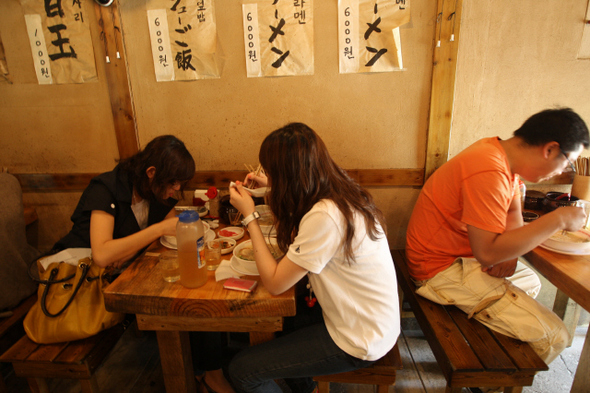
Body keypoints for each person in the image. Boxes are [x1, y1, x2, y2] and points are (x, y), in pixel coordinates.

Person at [405, 108, 590, 366]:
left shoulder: (500, 156)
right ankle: (489, 382)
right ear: (549, 149)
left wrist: (511, 252)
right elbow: (488, 253)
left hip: (461, 258)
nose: (564, 171)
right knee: (554, 336)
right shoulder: (488, 169)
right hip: (438, 269)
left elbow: (513, 212)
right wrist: (558, 218)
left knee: (529, 281)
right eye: (568, 162)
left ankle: (490, 358)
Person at [52, 135, 234, 393]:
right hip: (81, 283)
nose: (175, 193)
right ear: (151, 173)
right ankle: (202, 376)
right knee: (185, 297)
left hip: (125, 271)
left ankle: (207, 373)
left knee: (196, 288)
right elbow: (103, 255)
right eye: (173, 185)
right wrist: (158, 229)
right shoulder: (106, 188)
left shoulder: (157, 192)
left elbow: (168, 237)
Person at [227, 123, 400, 393]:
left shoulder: (325, 215)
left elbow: (274, 284)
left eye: (272, 172)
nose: (268, 176)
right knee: (285, 325)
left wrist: (250, 215)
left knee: (242, 370)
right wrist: (270, 188)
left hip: (358, 337)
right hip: (372, 322)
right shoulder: (337, 190)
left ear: (290, 175)